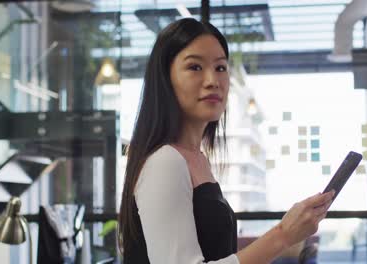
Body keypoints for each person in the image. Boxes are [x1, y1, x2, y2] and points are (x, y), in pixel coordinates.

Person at [117, 18, 335, 264]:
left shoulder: (197, 158)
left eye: (220, 68)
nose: (213, 80)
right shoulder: (165, 161)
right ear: (165, 79)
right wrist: (283, 235)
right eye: (195, 67)